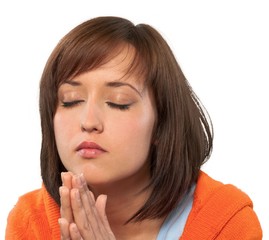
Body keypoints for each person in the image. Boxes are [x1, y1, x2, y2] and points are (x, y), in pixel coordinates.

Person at [5, 16, 262, 240]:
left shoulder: (227, 222)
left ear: (162, 123)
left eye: (119, 103)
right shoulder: (31, 221)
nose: (89, 121)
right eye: (71, 100)